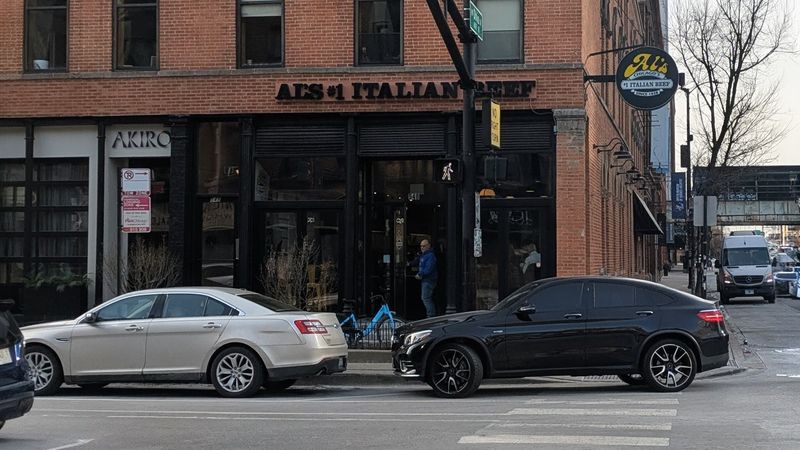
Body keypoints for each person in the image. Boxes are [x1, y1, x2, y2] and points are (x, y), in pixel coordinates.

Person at [409, 239, 438, 318]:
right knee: (426, 298)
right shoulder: (423, 255)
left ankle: (431, 316)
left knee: (426, 298)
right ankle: (430, 315)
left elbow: (428, 269)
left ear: (428, 246)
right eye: (421, 246)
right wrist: (409, 263)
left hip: (429, 280)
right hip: (425, 280)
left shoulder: (430, 256)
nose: (422, 248)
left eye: (424, 246)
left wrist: (420, 274)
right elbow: (417, 261)